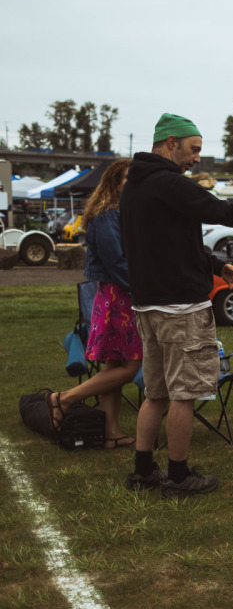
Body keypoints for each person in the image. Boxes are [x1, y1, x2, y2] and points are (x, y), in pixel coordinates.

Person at [121, 113, 233, 498]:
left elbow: (170, 243)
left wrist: (217, 265)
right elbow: (230, 214)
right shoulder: (169, 183)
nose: (198, 158)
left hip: (148, 307)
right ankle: (178, 475)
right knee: (185, 394)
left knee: (155, 393)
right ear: (171, 143)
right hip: (182, 310)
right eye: (194, 149)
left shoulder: (135, 186)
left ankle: (143, 471)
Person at [47, 159, 141, 448]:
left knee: (114, 364)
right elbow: (116, 263)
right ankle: (64, 399)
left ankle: (110, 431)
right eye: (128, 179)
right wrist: (146, 289)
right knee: (131, 365)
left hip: (119, 295)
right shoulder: (108, 216)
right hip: (119, 298)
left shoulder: (121, 213)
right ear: (114, 183)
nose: (134, 185)